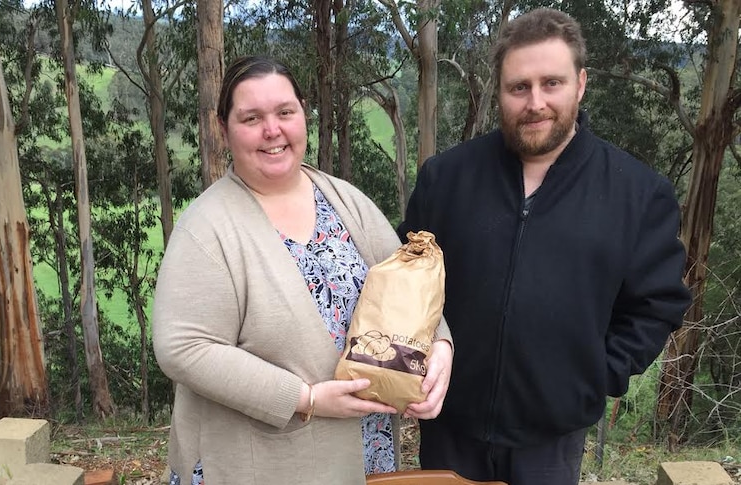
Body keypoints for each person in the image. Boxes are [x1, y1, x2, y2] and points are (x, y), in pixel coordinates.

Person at [397, 8, 691, 485]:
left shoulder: (636, 194)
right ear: (500, 92)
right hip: (450, 425)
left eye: (551, 83)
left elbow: (657, 306)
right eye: (519, 87)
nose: (535, 102)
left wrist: (593, 377)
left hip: (551, 441)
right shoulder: (447, 178)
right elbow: (409, 276)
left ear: (580, 83)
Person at [152, 55, 453, 485]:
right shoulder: (208, 227)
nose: (272, 130)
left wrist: (440, 345)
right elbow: (182, 346)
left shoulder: (345, 201)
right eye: (251, 117)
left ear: (302, 116)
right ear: (223, 130)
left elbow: (407, 279)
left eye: (284, 112)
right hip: (259, 466)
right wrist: (305, 398)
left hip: (360, 456)